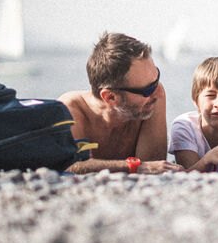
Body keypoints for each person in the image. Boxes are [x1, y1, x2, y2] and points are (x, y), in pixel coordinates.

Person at [58, 32, 183, 174]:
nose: (158, 93)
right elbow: (68, 165)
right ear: (110, 97)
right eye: (148, 90)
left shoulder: (152, 98)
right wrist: (133, 166)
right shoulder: (69, 110)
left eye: (156, 80)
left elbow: (153, 164)